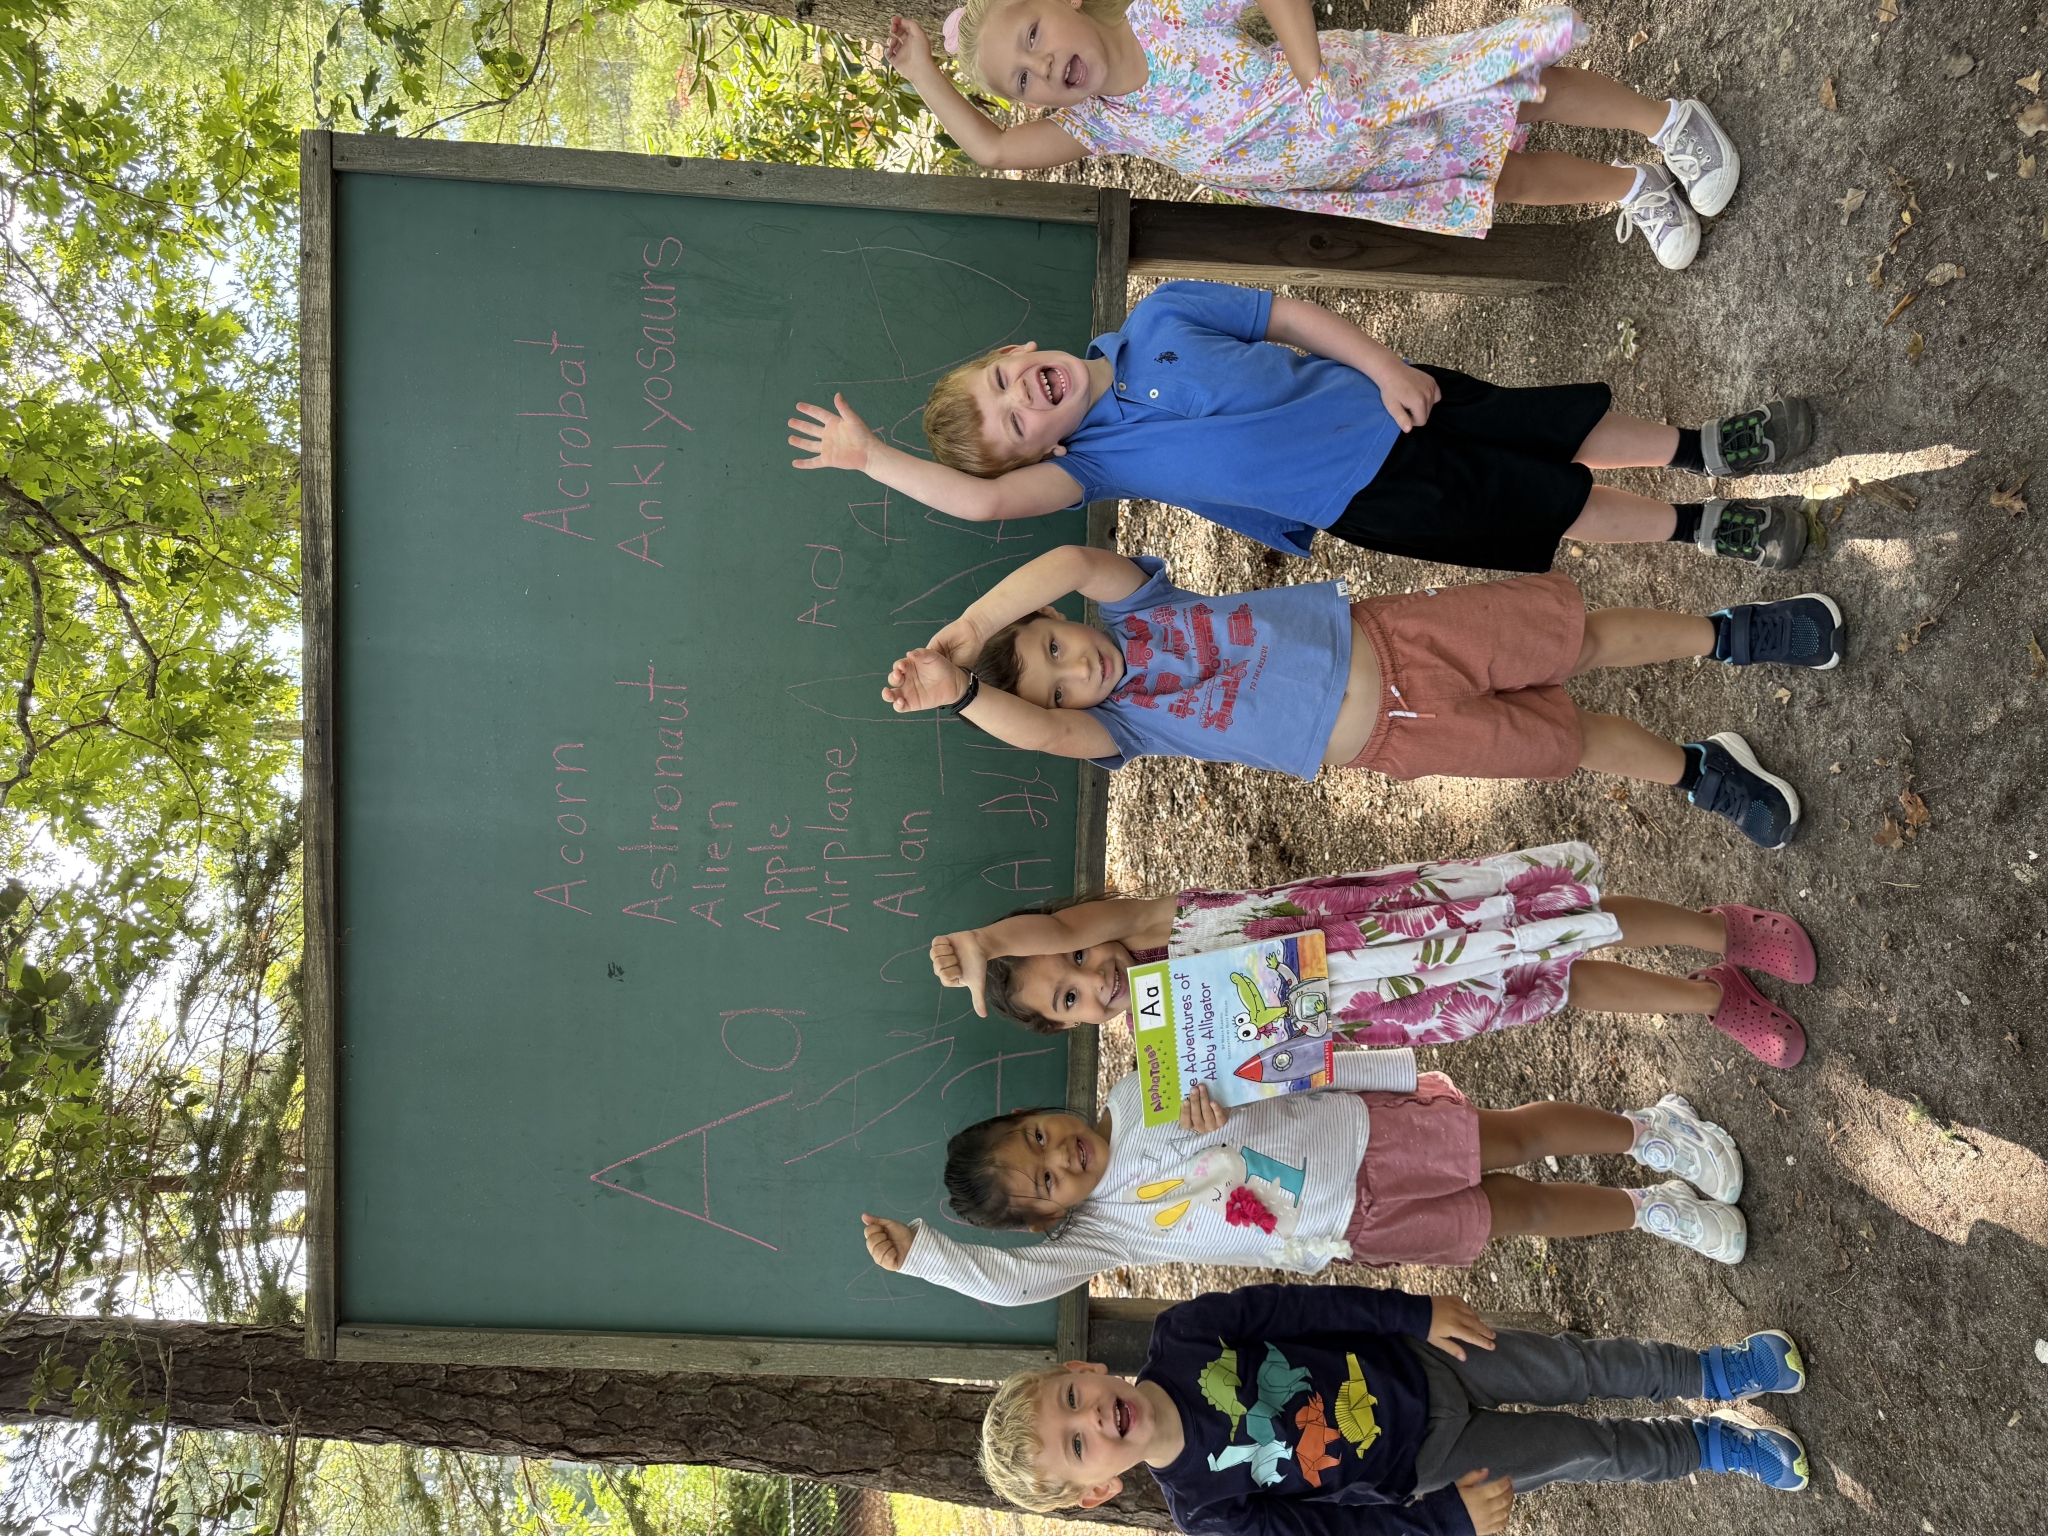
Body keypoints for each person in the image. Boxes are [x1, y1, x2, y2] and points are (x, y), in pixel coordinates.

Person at [788, 280, 1818, 571]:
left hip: (1394, 398)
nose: (1026, 394)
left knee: (1555, 429)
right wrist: (869, 458)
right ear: (1042, 452)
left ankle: (1700, 448)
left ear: (1015, 349)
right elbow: (978, 506)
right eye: (1015, 422)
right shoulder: (1092, 467)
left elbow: (1284, 317)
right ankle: (1699, 530)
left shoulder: (1161, 314)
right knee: (1549, 504)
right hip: (1373, 496)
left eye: (1004, 380)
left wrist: (1384, 364)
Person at [877, 545, 1843, 850]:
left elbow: (1069, 560)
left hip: (1397, 638)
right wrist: (960, 695)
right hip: (1400, 737)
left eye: (1053, 645)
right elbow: (1044, 738)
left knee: (1576, 639)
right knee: (1566, 742)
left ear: (1056, 617)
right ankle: (1701, 771)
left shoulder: (1141, 608)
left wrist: (968, 627)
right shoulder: (1119, 725)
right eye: (1057, 688)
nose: (1075, 670)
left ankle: (1732, 633)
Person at [885, 2, 1735, 270]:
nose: (1042, 66)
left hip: (1362, 92)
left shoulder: (1159, 14)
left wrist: (1312, 78)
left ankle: (1669, 122)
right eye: (1022, 81)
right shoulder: (1099, 124)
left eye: (1034, 34)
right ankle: (1633, 188)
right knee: (1496, 179)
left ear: (1065, 3)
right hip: (1355, 169)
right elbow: (994, 152)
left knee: (1516, 95)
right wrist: (924, 74)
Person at [860, 1064, 1754, 1298]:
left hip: (1364, 1135)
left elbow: (1262, 1054)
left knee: (1513, 1138)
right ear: (1045, 1219)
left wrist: (1218, 1100)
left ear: (1036, 1111)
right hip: (1345, 1229)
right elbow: (1016, 1286)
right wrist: (925, 1258)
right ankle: (1649, 1208)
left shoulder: (1139, 1089)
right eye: (1044, 1182)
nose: (1061, 1157)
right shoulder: (1101, 1235)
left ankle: (1654, 1132)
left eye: (1038, 1137)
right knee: (1515, 1212)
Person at [975, 1282, 1810, 1532]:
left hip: (1423, 1358)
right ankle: (1710, 1447)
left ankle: (1715, 1369)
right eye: (1077, 1446)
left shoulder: (1185, 1334)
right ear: (1097, 1490)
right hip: (1430, 1467)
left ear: (1084, 1369)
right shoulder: (1209, 1512)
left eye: (1072, 1400)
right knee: (1586, 1448)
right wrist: (1442, 1522)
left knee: (1576, 1366)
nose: (1092, 1420)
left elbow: (1304, 1310)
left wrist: (1412, 1315)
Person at [928, 842, 1812, 1068]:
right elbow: (1279, 1070)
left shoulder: (1152, 920)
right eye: (1070, 1001)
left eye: (1073, 956)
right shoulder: (1171, 1052)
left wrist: (985, 948)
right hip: (1388, 1004)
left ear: (1072, 927)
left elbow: (1053, 936)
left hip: (1391, 924)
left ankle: (1719, 931)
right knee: (1550, 983)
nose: (1092, 981)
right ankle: (1712, 998)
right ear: (1073, 1029)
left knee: (1551, 920)